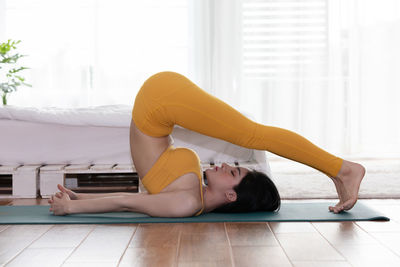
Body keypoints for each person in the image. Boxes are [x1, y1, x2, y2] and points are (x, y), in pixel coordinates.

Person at [49, 71, 366, 217]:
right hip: (160, 102)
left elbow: (128, 201)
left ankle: (343, 170)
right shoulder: (191, 197)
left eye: (234, 173)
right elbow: (129, 201)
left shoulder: (187, 203)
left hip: (158, 102)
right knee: (251, 134)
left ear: (231, 194)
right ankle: (342, 170)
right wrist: (76, 204)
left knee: (253, 135)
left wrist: (74, 203)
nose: (226, 165)